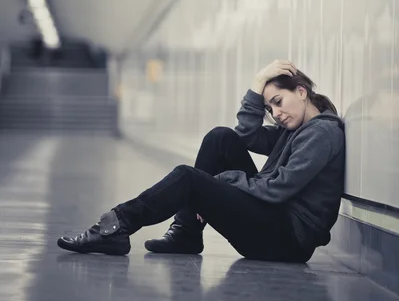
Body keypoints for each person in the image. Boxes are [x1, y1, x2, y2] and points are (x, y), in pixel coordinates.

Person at [57, 59, 345, 263]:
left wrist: (218, 182)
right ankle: (186, 233)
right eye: (269, 108)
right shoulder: (295, 129)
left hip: (286, 240)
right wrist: (257, 86)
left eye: (278, 101)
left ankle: (115, 226)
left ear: (302, 92)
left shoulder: (321, 134)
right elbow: (246, 136)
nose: (275, 113)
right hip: (273, 221)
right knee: (220, 138)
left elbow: (277, 189)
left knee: (188, 177)